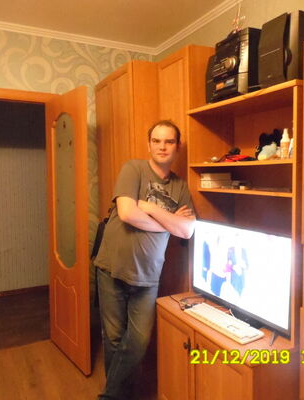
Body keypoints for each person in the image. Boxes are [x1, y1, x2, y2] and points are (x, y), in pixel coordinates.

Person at [93, 120, 195, 399]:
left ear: (177, 146)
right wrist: (170, 222)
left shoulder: (180, 186)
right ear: (149, 144)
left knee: (138, 342)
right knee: (113, 339)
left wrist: (149, 207)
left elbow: (187, 230)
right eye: (156, 141)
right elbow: (127, 213)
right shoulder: (133, 169)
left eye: (169, 141)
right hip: (112, 267)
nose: (162, 147)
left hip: (148, 276)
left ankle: (108, 396)